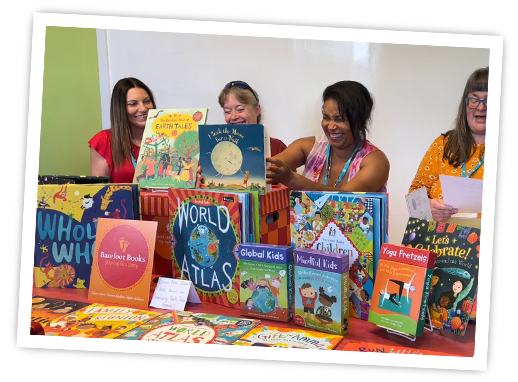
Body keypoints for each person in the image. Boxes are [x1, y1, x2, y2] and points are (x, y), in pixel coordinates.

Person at [266, 80, 390, 192]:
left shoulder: (376, 162)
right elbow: (263, 170)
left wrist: (293, 180)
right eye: (326, 118)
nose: (330, 126)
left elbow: (345, 199)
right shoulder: (307, 147)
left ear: (360, 121)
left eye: (339, 119)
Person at [408, 67, 488, 222]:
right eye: (474, 99)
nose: (480, 107)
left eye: (489, 99)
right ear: (465, 104)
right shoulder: (443, 144)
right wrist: (428, 207)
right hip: (441, 242)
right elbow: (413, 199)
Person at [89, 77, 157, 183]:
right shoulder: (105, 140)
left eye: (147, 101)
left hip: (164, 200)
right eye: (133, 104)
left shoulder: (167, 138)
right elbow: (100, 192)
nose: (143, 108)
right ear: (120, 108)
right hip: (123, 200)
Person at [218, 80, 287, 156]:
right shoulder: (219, 150)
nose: (233, 117)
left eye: (240, 110)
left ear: (257, 110)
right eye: (227, 111)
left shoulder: (277, 148)